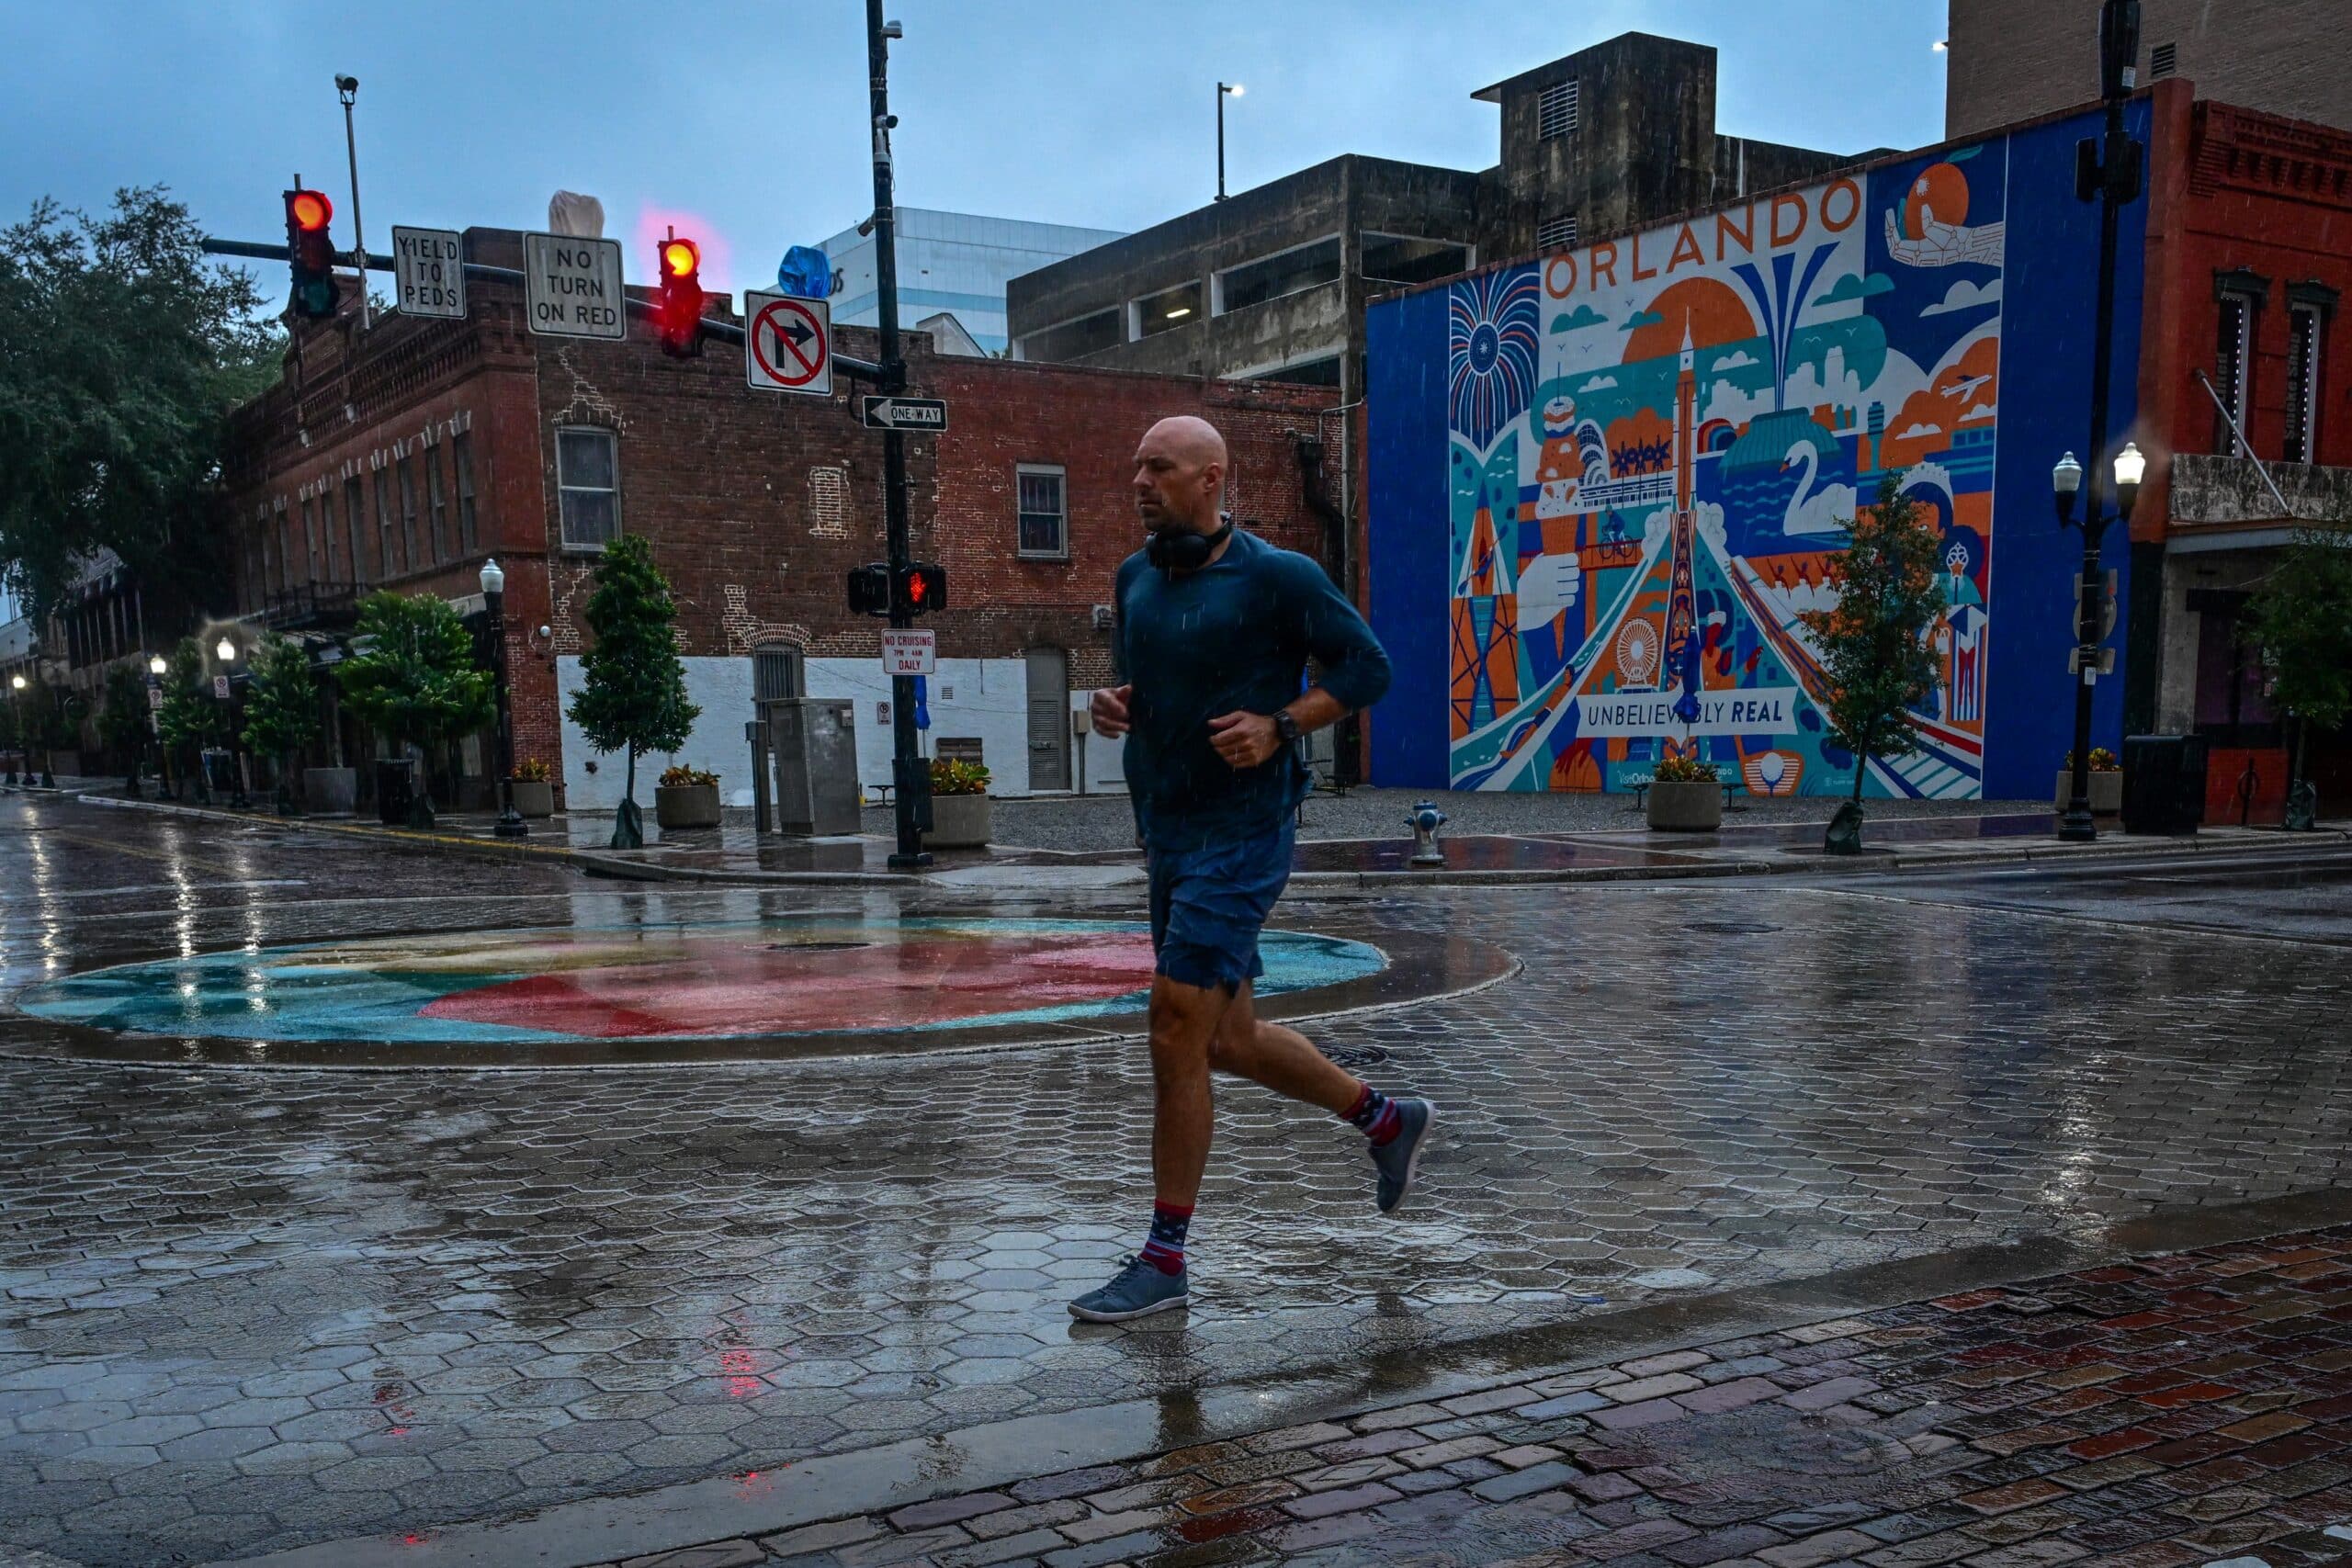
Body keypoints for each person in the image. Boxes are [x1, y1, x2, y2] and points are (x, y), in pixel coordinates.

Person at [1069, 414, 1433, 1325]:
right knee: (1226, 1040)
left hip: (1245, 830)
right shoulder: (1134, 579)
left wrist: (1282, 723)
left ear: (1211, 478)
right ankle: (1387, 1120)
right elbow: (1150, 684)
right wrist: (1117, 705)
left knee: (1171, 1028)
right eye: (1135, 468)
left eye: (1159, 467)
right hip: (1170, 831)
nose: (1141, 482)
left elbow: (1369, 668)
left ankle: (1164, 1260)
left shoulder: (1279, 577)